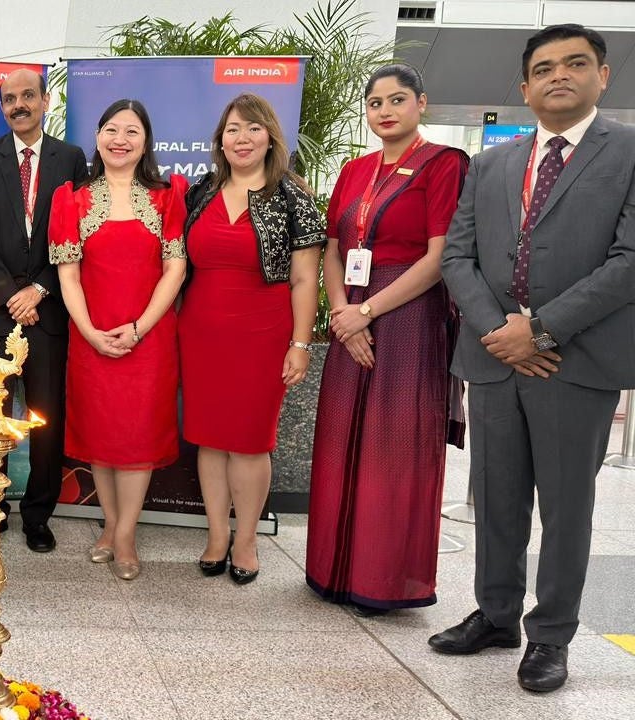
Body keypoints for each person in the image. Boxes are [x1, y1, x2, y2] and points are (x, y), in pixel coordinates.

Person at [434, 24, 635, 693]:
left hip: (574, 364)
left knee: (566, 507)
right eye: (544, 67)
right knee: (494, 500)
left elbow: (629, 263)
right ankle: (495, 615)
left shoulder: (629, 152)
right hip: (494, 358)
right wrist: (501, 332)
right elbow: (459, 256)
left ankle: (551, 636)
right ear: (524, 86)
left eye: (575, 64)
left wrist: (540, 332)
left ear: (602, 76)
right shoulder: (491, 162)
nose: (559, 76)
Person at [305, 66, 469, 615]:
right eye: (374, 102)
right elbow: (332, 249)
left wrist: (368, 311)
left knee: (393, 445)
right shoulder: (354, 170)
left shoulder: (444, 164)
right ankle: (332, 570)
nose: (384, 111)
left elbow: (439, 258)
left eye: (397, 100)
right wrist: (344, 313)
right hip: (351, 309)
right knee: (339, 440)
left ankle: (384, 579)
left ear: (421, 103)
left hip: (408, 316)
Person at [179, 93, 324, 585]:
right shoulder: (199, 193)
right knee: (209, 439)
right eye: (233, 129)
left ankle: (246, 538)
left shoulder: (292, 197)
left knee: (248, 441)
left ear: (270, 138)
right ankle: (217, 535)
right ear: (220, 139)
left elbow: (306, 280)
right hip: (200, 333)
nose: (242, 138)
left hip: (262, 335)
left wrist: (300, 344)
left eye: (253, 128)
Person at [47, 99, 187, 580]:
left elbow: (176, 268)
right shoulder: (71, 197)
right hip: (91, 335)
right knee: (101, 438)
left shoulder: (170, 195)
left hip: (147, 337)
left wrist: (140, 327)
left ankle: (125, 535)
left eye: (131, 131)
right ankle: (110, 524)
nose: (119, 139)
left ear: (145, 140)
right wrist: (89, 332)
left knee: (137, 438)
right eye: (111, 129)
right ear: (98, 137)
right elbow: (68, 277)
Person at [0, 68, 88, 553]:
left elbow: (77, 238)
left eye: (27, 96)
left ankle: (38, 515)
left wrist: (38, 289)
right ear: (2, 106)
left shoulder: (71, 159)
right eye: (9, 98)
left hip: (49, 311)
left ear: (45, 100)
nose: (19, 104)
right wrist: (12, 294)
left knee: (46, 419)